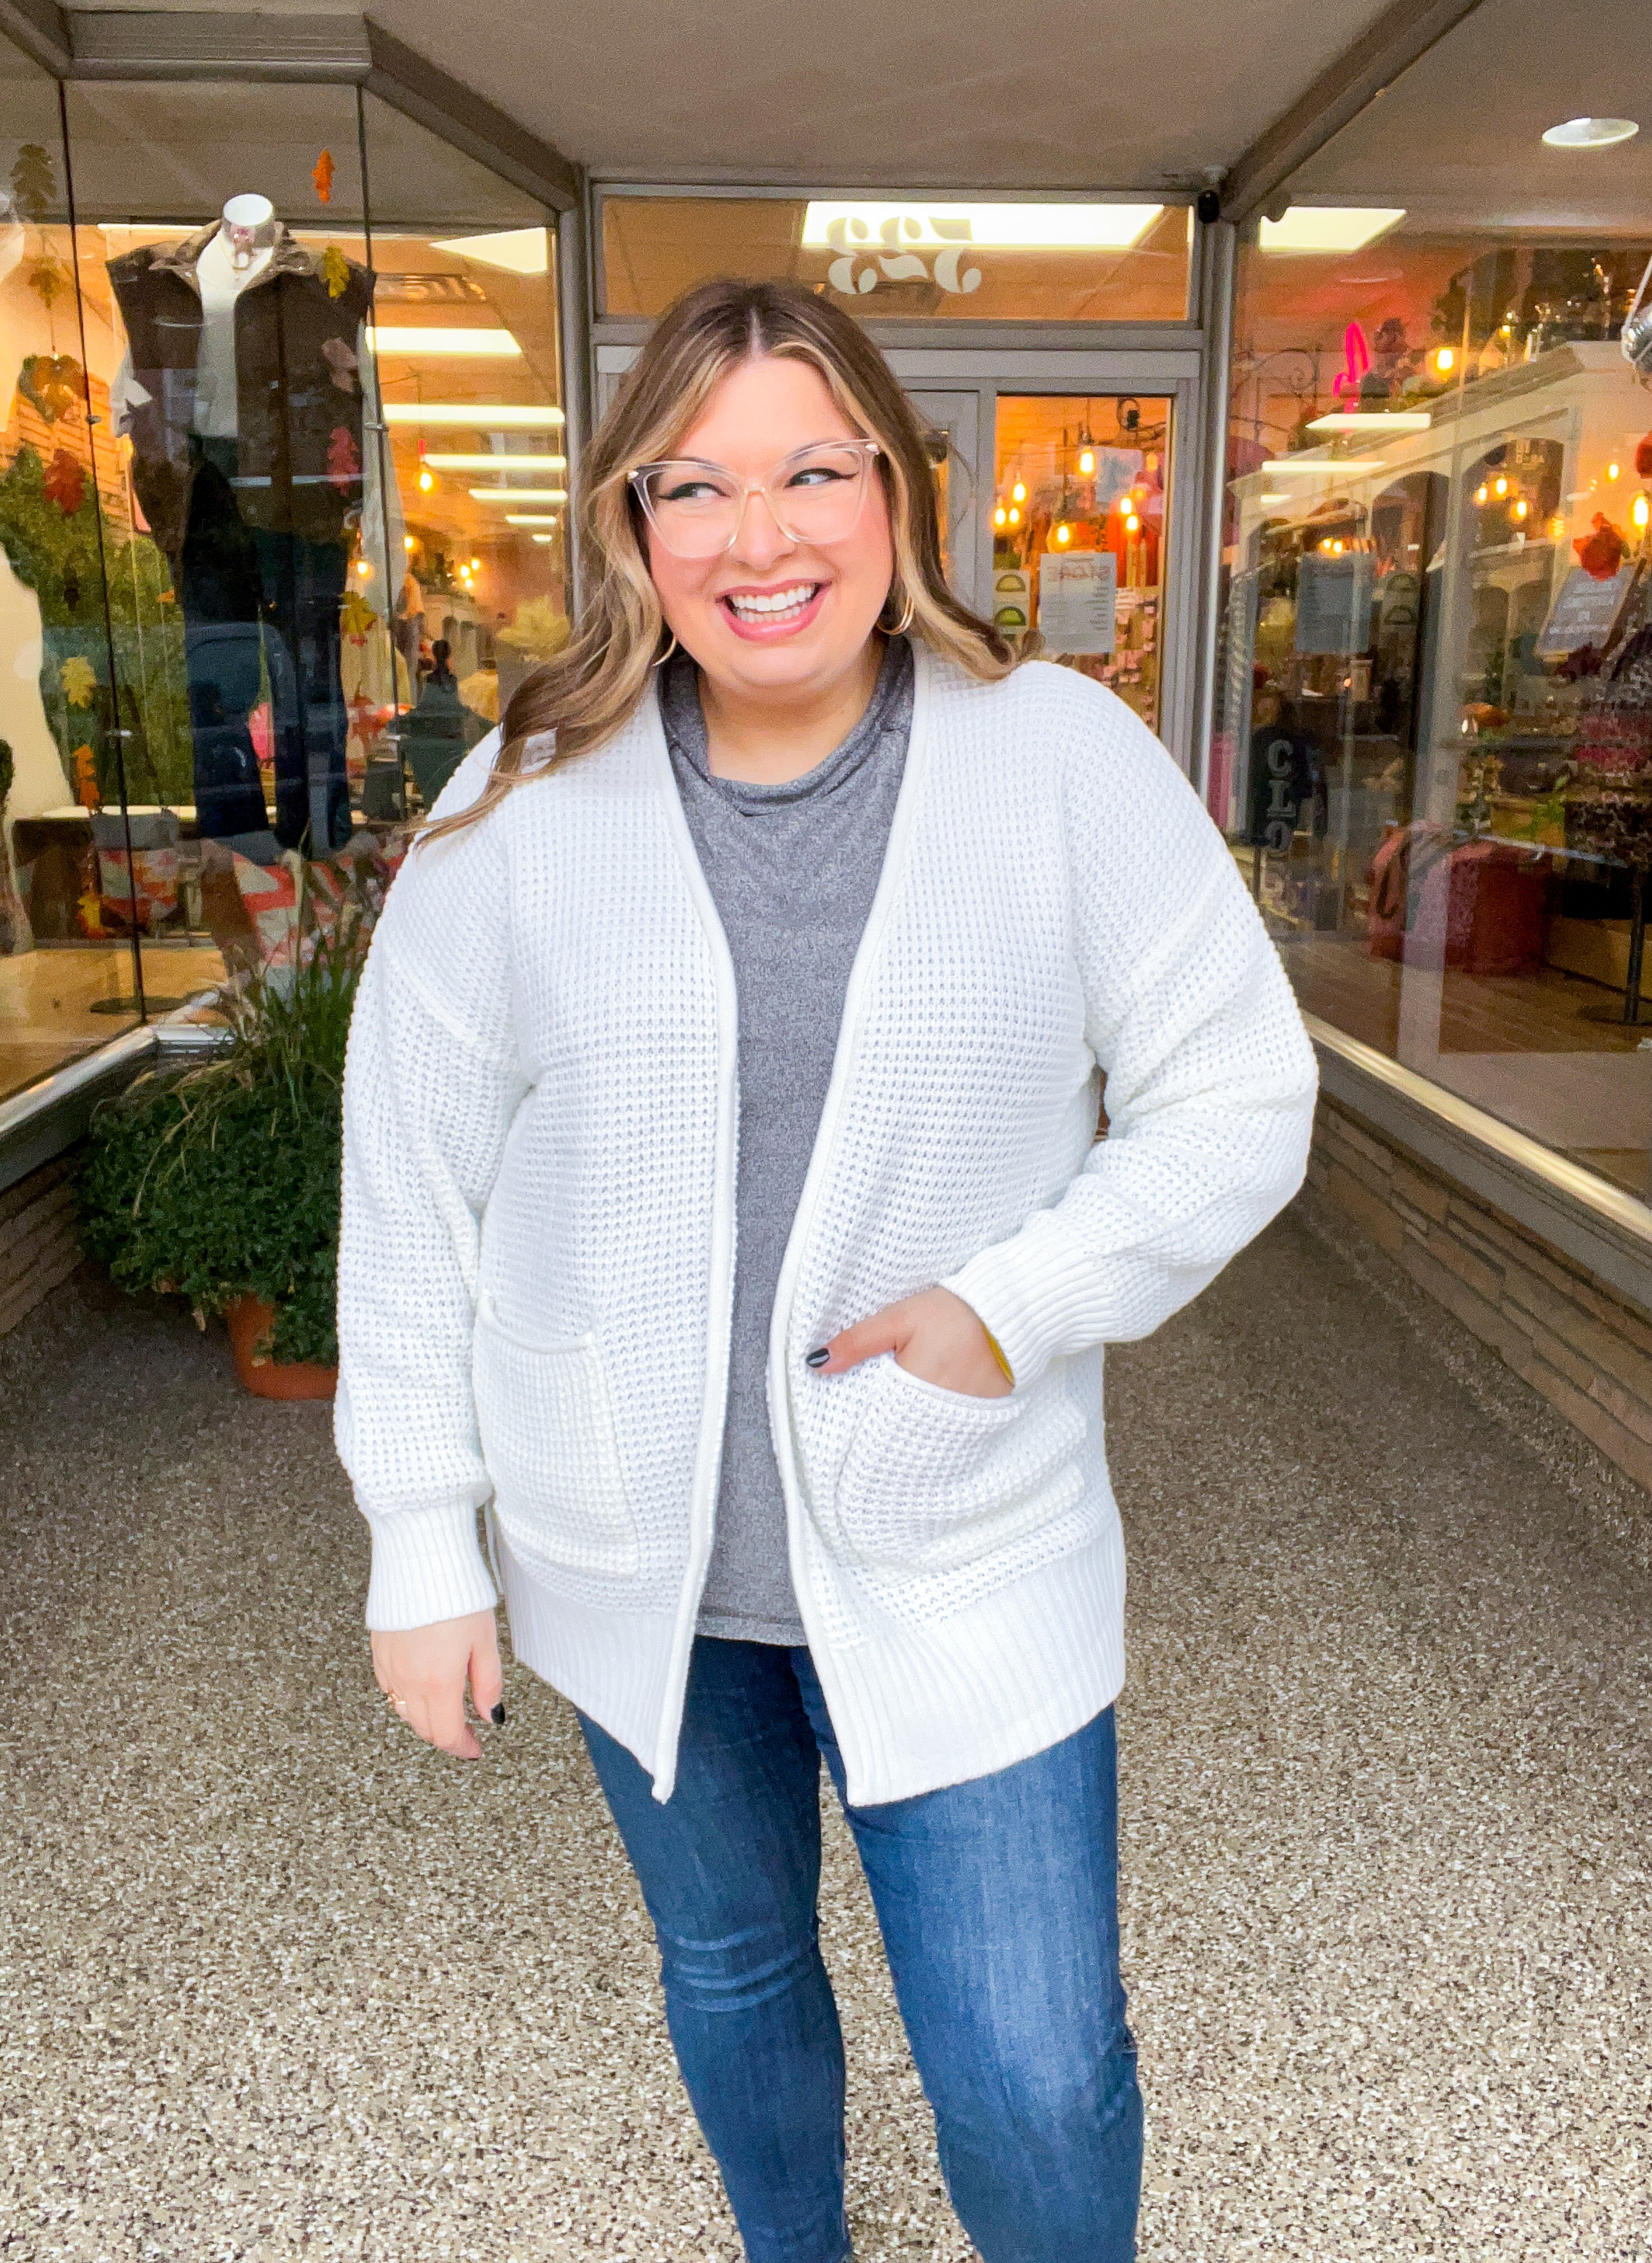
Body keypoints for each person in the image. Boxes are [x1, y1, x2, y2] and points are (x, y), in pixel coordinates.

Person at [335, 277, 1317, 2262]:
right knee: (736, 1980)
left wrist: (1011, 1307)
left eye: (809, 471)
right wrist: (421, 1542)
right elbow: (411, 1172)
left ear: (897, 487)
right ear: (630, 526)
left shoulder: (1055, 755)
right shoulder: (520, 791)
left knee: (1036, 2068)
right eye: (691, 485)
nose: (756, 537)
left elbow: (1240, 1092)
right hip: (639, 1556)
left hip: (966, 1543)